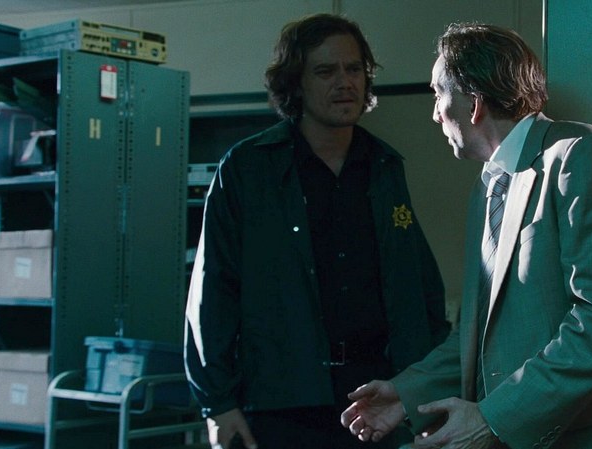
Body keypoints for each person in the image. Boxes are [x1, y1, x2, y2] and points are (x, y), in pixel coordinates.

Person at [342, 22, 592, 449]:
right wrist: (406, 394)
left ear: (474, 103)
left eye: (438, 94)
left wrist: (492, 418)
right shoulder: (488, 187)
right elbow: (477, 334)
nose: (435, 113)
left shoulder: (584, 156)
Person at [184, 13, 450, 449]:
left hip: (374, 399)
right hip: (280, 403)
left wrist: (424, 387)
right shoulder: (249, 168)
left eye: (353, 69)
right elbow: (213, 291)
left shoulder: (383, 166)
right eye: (326, 71)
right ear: (296, 84)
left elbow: (419, 286)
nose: (344, 82)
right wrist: (218, 403)